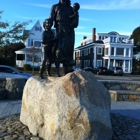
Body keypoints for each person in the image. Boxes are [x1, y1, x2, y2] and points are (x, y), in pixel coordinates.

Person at [49, 0, 77, 76]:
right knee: (59, 49)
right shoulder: (55, 7)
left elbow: (75, 21)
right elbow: (51, 19)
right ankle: (57, 71)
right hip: (59, 29)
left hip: (69, 30)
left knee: (69, 49)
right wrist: (48, 31)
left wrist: (74, 21)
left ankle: (67, 71)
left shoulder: (71, 9)